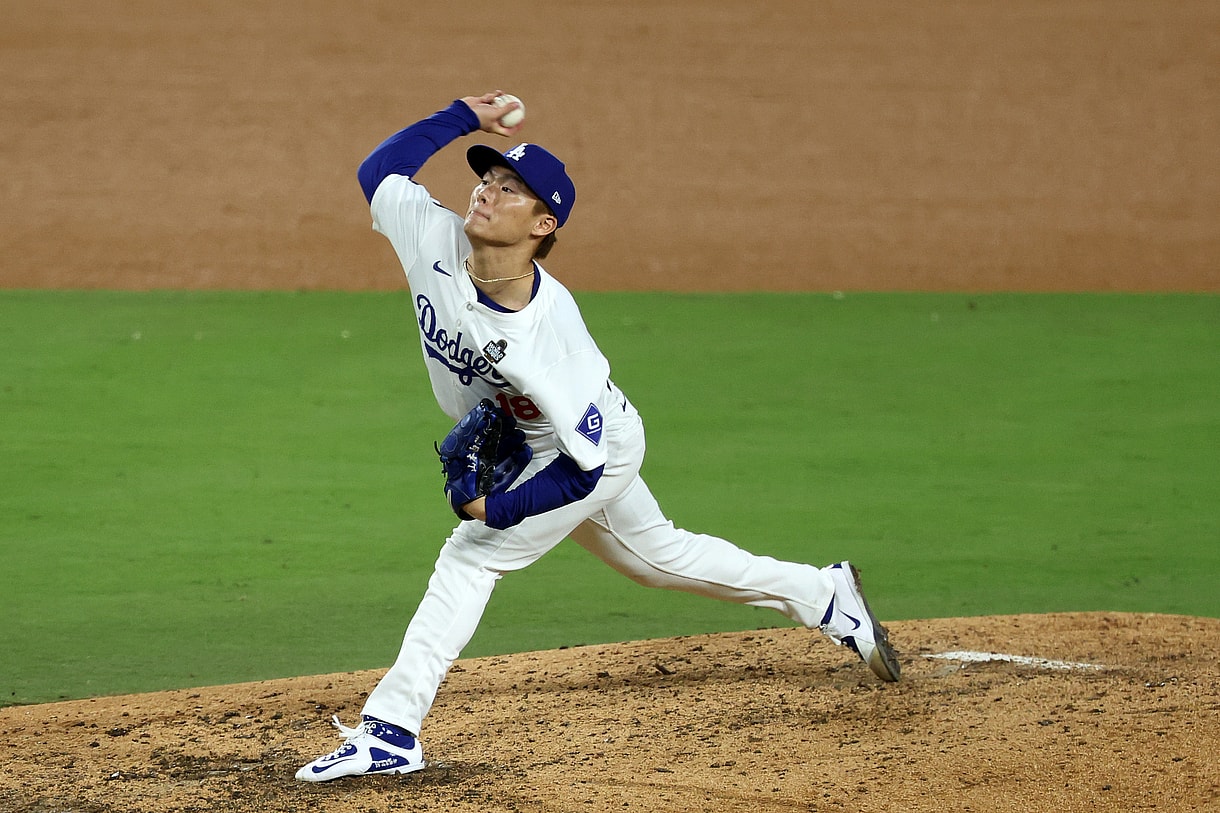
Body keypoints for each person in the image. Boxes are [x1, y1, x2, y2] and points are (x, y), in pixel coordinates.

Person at [295, 91, 901, 783]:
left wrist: (498, 510)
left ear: (543, 222)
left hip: (590, 448)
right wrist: (463, 113)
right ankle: (825, 594)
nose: (487, 193)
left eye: (510, 189)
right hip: (544, 442)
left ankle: (392, 729)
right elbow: (379, 171)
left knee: (472, 556)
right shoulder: (432, 235)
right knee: (658, 556)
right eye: (487, 179)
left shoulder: (544, 343)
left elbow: (587, 468)